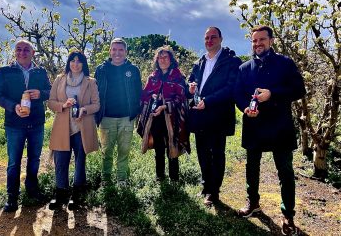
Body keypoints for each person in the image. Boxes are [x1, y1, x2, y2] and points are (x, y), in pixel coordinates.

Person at [234, 25, 306, 235]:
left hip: (279, 126)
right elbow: (237, 94)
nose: (257, 44)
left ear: (271, 41)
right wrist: (245, 108)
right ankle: (253, 203)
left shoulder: (285, 63)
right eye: (254, 41)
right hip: (254, 125)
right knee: (252, 168)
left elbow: (299, 90)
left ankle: (288, 215)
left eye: (262, 40)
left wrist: (272, 94)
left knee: (285, 172)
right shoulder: (244, 68)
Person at [0, 39, 51, 212]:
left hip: (36, 123)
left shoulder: (40, 71)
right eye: (19, 49)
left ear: (33, 53)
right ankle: (12, 196)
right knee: (13, 162)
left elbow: (50, 91)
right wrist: (13, 107)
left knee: (34, 159)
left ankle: (32, 190)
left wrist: (41, 93)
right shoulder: (4, 71)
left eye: (26, 49)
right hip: (14, 123)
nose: (22, 52)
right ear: (15, 52)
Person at [188, 27, 242, 206]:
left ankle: (214, 192)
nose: (209, 40)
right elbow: (191, 81)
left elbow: (231, 88)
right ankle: (206, 186)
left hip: (218, 115)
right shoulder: (200, 61)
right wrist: (191, 88)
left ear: (221, 39)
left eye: (213, 37)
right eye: (206, 38)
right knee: (202, 152)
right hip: (199, 114)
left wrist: (209, 101)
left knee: (216, 154)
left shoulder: (231, 61)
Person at [47, 51, 100, 210]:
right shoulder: (59, 79)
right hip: (62, 127)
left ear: (83, 64)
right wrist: (63, 105)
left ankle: (77, 196)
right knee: (60, 162)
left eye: (79, 61)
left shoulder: (90, 82)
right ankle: (61, 195)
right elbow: (50, 102)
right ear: (68, 62)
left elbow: (97, 105)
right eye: (72, 60)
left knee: (80, 162)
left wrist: (84, 109)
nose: (75, 64)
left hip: (81, 127)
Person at [137, 46, 190, 182]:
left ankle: (174, 178)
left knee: (172, 146)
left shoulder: (178, 76)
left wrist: (165, 105)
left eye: (165, 57)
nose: (162, 60)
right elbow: (144, 96)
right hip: (155, 118)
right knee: (158, 147)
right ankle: (160, 176)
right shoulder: (153, 77)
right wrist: (152, 98)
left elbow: (182, 97)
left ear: (171, 59)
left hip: (172, 118)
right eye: (160, 57)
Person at [94, 38, 142, 186]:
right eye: (114, 49)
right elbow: (95, 92)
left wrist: (136, 112)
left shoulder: (133, 70)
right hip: (106, 117)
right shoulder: (101, 69)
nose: (117, 53)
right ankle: (106, 179)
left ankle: (122, 179)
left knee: (124, 150)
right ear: (110, 51)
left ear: (125, 52)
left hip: (127, 118)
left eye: (120, 50)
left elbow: (139, 92)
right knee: (106, 151)